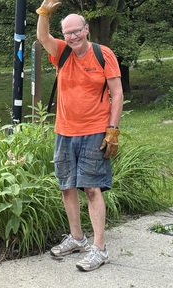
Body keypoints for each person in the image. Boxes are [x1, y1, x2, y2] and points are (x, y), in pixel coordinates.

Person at [36, 0, 123, 272]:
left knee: (92, 188)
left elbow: (117, 93)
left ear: (86, 30)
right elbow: (42, 37)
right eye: (67, 32)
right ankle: (77, 238)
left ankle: (99, 248)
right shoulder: (61, 52)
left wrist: (113, 129)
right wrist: (44, 12)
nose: (72, 37)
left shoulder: (103, 54)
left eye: (76, 31)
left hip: (95, 130)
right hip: (64, 131)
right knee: (66, 186)